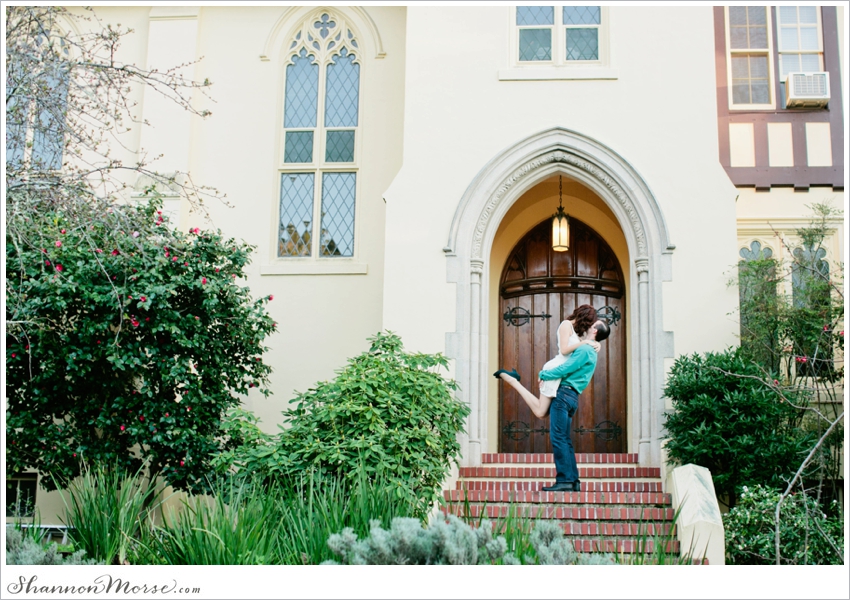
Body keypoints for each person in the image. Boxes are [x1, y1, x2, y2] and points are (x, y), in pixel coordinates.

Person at [539, 319, 610, 492]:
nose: (588, 325)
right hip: (571, 396)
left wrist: (544, 373)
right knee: (565, 439)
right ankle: (572, 481)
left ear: (594, 331)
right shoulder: (591, 349)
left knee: (558, 438)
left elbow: (566, 368)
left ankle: (564, 480)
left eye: (592, 325)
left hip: (563, 395)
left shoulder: (586, 349)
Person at [494, 304, 600, 419]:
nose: (589, 327)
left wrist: (597, 344)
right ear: (586, 318)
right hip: (555, 369)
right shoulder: (566, 325)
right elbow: (564, 350)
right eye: (590, 324)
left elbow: (583, 347)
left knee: (542, 413)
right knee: (540, 412)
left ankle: (513, 380)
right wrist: (584, 342)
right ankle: (511, 380)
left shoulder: (574, 332)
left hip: (560, 371)